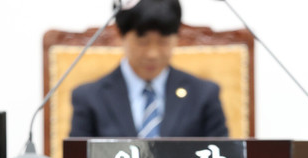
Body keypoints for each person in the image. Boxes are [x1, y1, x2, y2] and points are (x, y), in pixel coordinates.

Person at [69, 0, 229, 138]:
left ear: (177, 37)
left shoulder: (203, 95)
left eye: (163, 41)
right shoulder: (89, 98)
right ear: (120, 35)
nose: (152, 54)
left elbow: (222, 156)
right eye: (142, 42)